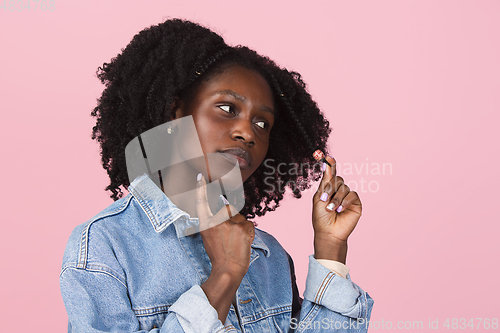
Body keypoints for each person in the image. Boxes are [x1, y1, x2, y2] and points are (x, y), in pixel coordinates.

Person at [60, 19, 374, 332]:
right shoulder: (106, 245)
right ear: (175, 110)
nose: (247, 133)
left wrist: (331, 248)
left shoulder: (268, 256)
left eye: (262, 123)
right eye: (227, 108)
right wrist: (224, 275)